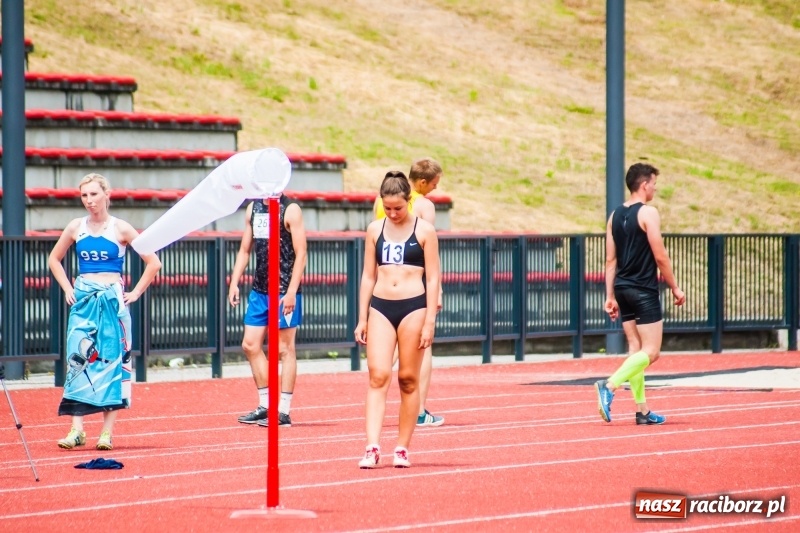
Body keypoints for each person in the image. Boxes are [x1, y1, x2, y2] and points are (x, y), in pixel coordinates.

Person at [48, 173, 161, 450]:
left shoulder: (120, 229)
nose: (89, 201)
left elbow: (153, 262)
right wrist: (66, 287)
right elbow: (54, 258)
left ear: (106, 194)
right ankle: (76, 430)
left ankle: (106, 433)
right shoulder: (76, 227)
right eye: (85, 195)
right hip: (84, 300)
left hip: (112, 301)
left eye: (94, 194)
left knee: (112, 361)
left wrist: (134, 292)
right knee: (78, 361)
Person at [356, 171, 440, 468]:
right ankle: (372, 446)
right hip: (381, 307)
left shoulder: (424, 231)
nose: (392, 213)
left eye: (398, 208)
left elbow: (433, 279)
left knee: (407, 379)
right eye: (387, 208)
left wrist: (430, 320)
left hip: (413, 307)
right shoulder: (374, 230)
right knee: (378, 375)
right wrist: (362, 317)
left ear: (409, 201)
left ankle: (402, 447)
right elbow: (368, 275)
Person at [595, 163, 686, 425]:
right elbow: (660, 255)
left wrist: (610, 296)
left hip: (622, 288)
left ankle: (642, 411)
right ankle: (609, 386)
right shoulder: (648, 213)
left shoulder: (614, 216)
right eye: (654, 183)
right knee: (652, 351)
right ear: (644, 184)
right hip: (643, 289)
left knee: (636, 349)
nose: (655, 188)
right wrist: (675, 287)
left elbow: (610, 261)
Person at [373, 157, 444, 427]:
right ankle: (419, 410)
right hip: (415, 283)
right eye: (434, 184)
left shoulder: (381, 201)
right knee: (421, 348)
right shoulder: (425, 205)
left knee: (388, 351)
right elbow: (430, 255)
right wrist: (436, 292)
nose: (436, 189)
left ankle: (380, 396)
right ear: (422, 182)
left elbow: (378, 239)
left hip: (385, 284)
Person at [229, 195, 307, 427]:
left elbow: (301, 253)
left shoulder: (291, 209)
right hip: (260, 289)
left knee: (284, 349)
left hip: (284, 291)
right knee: (250, 344)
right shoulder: (253, 208)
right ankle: (266, 405)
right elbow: (245, 249)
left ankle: (283, 411)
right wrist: (234, 281)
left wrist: (292, 291)